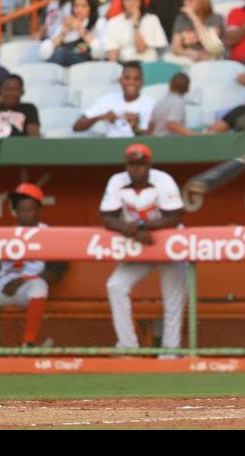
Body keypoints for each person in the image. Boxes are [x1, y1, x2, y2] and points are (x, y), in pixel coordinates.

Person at [0, 183, 69, 348]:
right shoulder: (5, 235)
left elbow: (59, 270)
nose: (24, 213)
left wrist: (21, 281)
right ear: (16, 211)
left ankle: (28, 343)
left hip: (27, 288)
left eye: (29, 209)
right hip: (1, 286)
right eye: (20, 209)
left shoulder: (49, 234)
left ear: (38, 209)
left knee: (39, 285)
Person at [99, 143, 187, 350]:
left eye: (140, 164)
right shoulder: (117, 180)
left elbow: (175, 216)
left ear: (149, 164)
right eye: (131, 164)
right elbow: (106, 216)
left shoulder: (163, 179)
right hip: (139, 244)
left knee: (172, 298)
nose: (135, 169)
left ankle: (171, 351)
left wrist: (140, 226)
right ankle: (128, 346)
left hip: (167, 243)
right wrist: (132, 230)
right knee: (116, 285)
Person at [73, 62, 155, 137]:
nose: (131, 82)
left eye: (136, 79)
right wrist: (101, 117)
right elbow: (77, 127)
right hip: (110, 146)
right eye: (127, 78)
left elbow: (150, 138)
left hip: (137, 149)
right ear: (120, 80)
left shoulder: (151, 104)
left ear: (142, 82)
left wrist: (134, 126)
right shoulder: (107, 100)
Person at [39, 0, 107, 66]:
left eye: (83, 6)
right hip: (64, 68)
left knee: (62, 54)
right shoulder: (67, 23)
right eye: (76, 6)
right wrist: (63, 32)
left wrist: (81, 30)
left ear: (91, 8)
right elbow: (43, 54)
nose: (78, 10)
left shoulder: (98, 23)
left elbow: (101, 53)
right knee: (59, 54)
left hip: (86, 67)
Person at [103, 0, 168, 63]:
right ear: (123, 1)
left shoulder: (151, 19)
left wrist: (135, 24)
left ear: (141, 1)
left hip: (146, 64)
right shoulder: (114, 22)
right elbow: (113, 54)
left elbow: (141, 49)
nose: (133, 2)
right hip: (125, 65)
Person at [165, 0, 225, 65]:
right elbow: (176, 47)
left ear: (202, 2)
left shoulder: (215, 18)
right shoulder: (181, 19)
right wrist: (188, 53)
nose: (186, 3)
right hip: (188, 60)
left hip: (212, 60)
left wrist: (193, 16)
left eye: (191, 0)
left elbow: (210, 44)